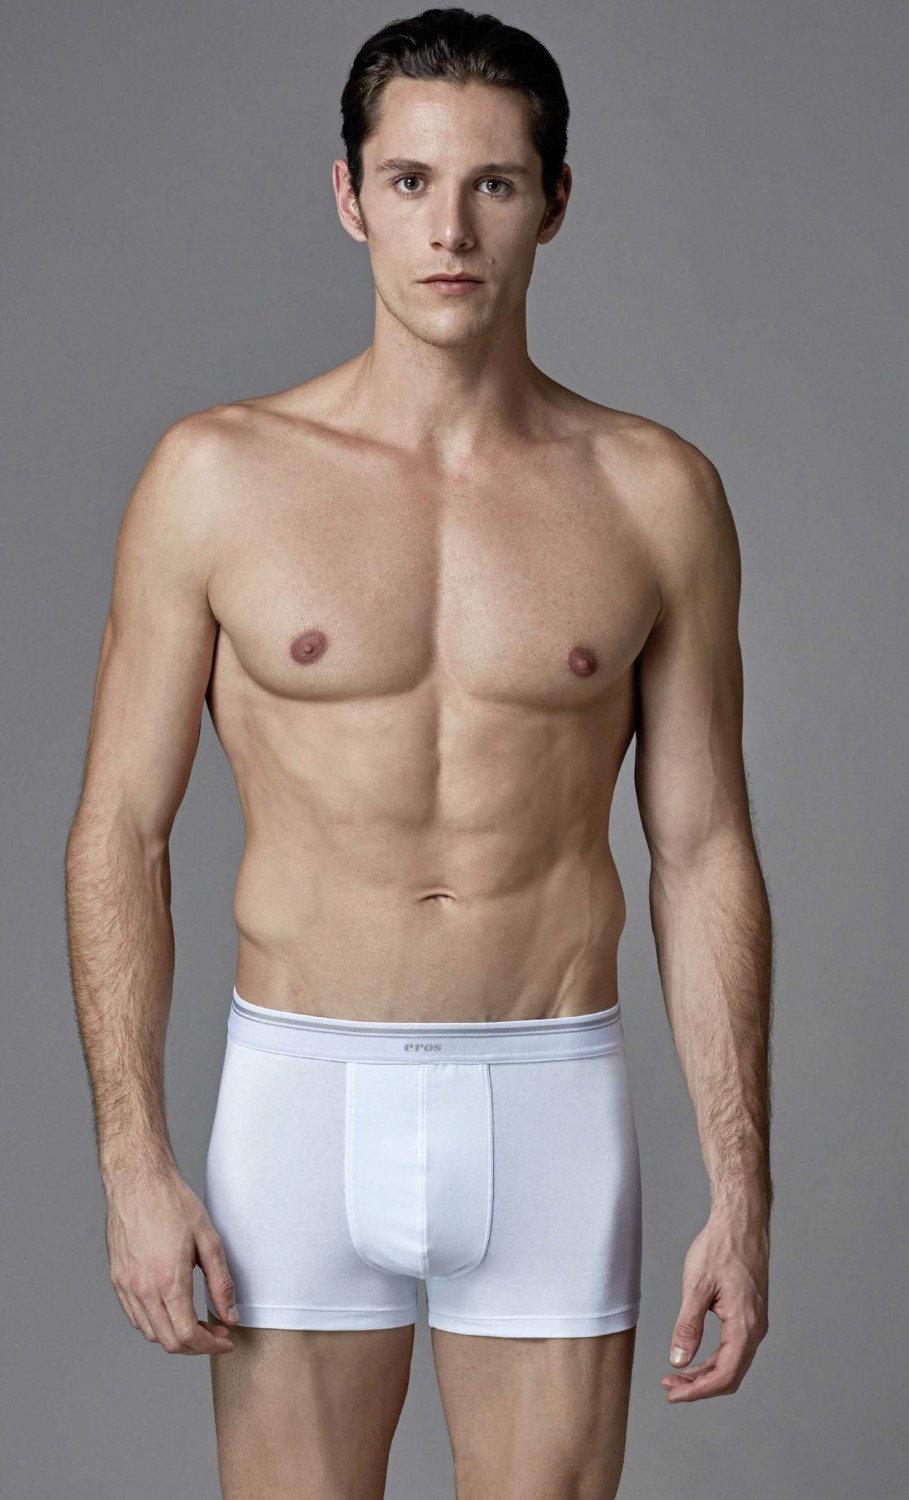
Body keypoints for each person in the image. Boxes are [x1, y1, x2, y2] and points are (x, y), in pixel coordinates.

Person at [64, 8, 773, 1498]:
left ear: (554, 202)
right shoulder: (214, 479)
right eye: (409, 182)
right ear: (349, 196)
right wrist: (132, 1161)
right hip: (297, 1099)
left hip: (550, 1099)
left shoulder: (654, 494)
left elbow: (704, 847)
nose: (449, 230)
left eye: (493, 184)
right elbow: (119, 828)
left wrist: (741, 1186)